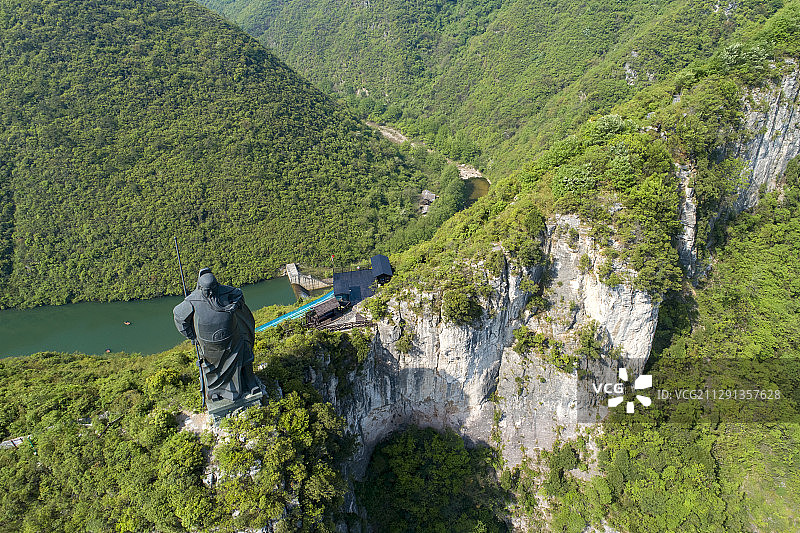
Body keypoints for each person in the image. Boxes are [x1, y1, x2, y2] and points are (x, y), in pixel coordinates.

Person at [173, 268, 264, 403]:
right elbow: (179, 317)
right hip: (210, 345)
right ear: (200, 287)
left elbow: (239, 294)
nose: (210, 293)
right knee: (213, 367)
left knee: (245, 356)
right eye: (207, 290)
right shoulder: (192, 301)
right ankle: (215, 390)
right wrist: (193, 336)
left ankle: (249, 382)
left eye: (213, 288)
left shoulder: (224, 291)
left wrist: (235, 306)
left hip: (233, 338)